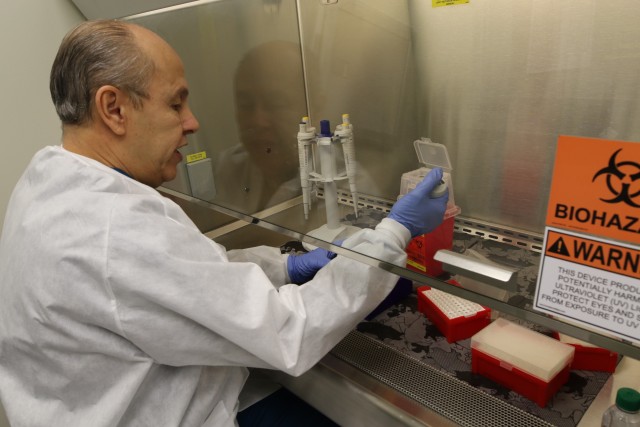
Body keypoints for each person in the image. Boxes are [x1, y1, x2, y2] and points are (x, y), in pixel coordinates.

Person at [0, 19, 448, 427]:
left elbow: (186, 274)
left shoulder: (49, 181)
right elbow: (288, 333)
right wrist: (395, 231)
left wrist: (285, 268)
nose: (192, 122)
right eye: (176, 104)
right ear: (114, 109)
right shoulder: (114, 229)